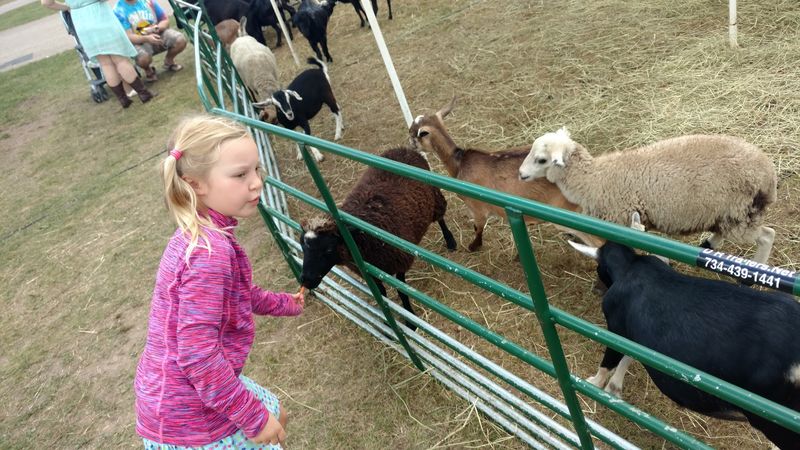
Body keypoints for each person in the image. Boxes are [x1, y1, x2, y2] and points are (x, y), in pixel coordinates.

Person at [135, 114, 305, 449]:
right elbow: (198, 356)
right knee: (270, 428)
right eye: (241, 174)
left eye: (257, 170)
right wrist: (252, 418)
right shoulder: (208, 255)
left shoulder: (202, 232)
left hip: (177, 391)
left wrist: (286, 303)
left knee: (279, 418)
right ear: (196, 183)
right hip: (190, 413)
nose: (257, 182)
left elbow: (239, 293)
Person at [42, 0, 156, 108]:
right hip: (101, 17)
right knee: (120, 59)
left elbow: (47, 2)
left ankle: (123, 99)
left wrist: (69, 6)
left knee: (105, 63)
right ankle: (144, 94)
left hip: (81, 22)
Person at [114, 0, 187, 82]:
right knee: (143, 59)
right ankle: (148, 70)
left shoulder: (149, 1)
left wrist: (157, 28)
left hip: (158, 33)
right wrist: (147, 38)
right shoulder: (118, 10)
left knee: (180, 40)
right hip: (139, 42)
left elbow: (165, 20)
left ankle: (169, 61)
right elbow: (128, 36)